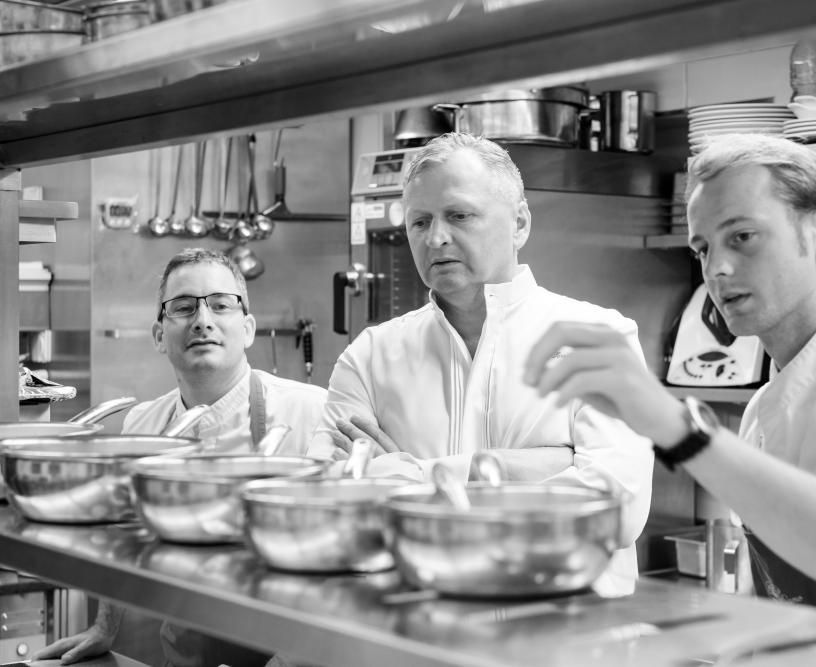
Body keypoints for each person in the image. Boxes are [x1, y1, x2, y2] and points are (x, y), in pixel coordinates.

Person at [523, 133, 816, 612]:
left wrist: (677, 427)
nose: (716, 269)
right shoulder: (762, 412)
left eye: (742, 237)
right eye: (703, 248)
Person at [309, 132, 653, 592]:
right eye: (419, 222)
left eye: (459, 215)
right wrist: (526, 470)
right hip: (419, 624)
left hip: (563, 626)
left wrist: (417, 476)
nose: (435, 238)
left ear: (520, 223)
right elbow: (328, 508)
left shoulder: (598, 338)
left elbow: (616, 512)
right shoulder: (368, 357)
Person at [36, 247, 327, 666]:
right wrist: (105, 627)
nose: (203, 320)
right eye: (184, 307)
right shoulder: (145, 424)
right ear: (159, 336)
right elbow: (126, 535)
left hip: (293, 649)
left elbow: (339, 565)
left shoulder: (310, 412)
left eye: (221, 305)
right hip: (187, 646)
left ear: (247, 329)